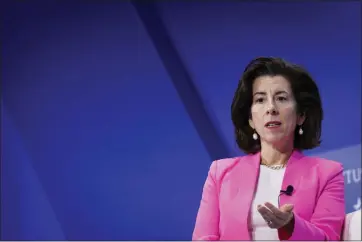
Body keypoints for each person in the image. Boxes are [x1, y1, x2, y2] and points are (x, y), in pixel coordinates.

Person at [192, 57, 345, 240]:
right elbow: (204, 238)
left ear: (301, 116)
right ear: (250, 119)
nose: (271, 108)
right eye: (260, 100)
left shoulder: (328, 174)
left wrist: (291, 225)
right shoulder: (220, 173)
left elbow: (328, 238)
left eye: (281, 98)